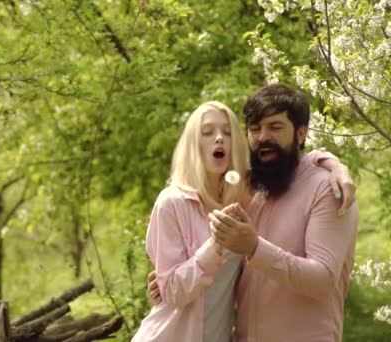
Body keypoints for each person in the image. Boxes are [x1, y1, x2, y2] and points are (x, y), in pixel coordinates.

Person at [146, 84, 357, 342]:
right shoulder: (250, 192)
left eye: (275, 127)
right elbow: (201, 274)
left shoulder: (328, 189)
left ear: (301, 133)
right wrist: (171, 282)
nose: (263, 137)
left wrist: (255, 247)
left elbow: (323, 282)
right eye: (255, 129)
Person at [132, 101, 251, 342]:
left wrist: (329, 163)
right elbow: (174, 292)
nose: (219, 139)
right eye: (208, 132)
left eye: (227, 133)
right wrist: (215, 245)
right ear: (193, 144)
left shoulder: (245, 202)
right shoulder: (171, 203)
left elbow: (294, 164)